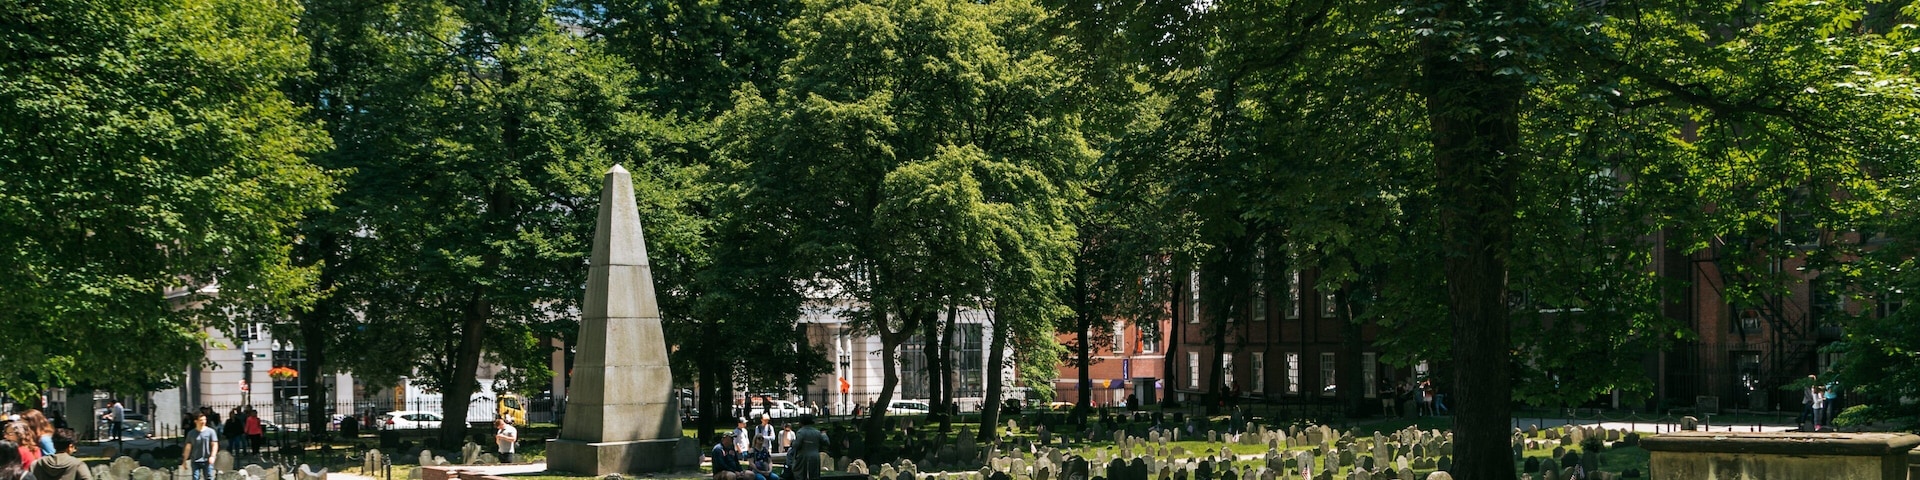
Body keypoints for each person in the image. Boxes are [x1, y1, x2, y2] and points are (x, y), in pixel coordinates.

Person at [789, 415, 827, 480]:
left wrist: (793, 443)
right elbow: (826, 442)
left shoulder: (801, 432)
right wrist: (824, 434)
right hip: (815, 457)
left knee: (801, 475)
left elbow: (796, 445)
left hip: (803, 457)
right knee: (814, 476)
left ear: (801, 422)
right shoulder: (817, 432)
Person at [182, 412, 218, 480]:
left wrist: (213, 456)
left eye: (204, 419)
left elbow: (215, 445)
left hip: (207, 460)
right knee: (195, 478)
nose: (203, 422)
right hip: (195, 460)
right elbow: (188, 447)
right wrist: (184, 460)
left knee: (209, 477)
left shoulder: (211, 432)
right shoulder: (191, 433)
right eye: (201, 420)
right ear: (196, 421)